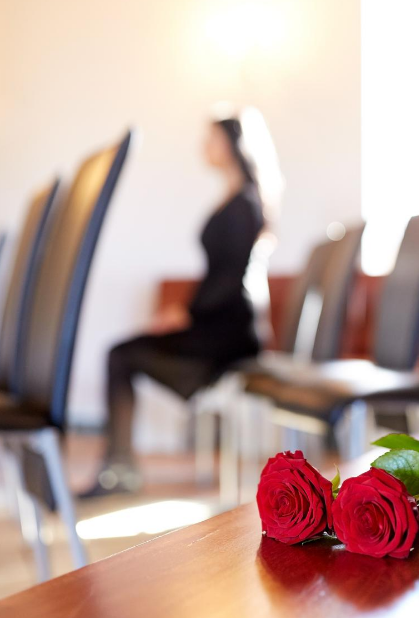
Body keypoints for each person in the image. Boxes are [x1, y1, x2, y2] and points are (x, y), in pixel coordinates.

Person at [81, 107, 283, 498]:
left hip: (229, 331)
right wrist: (186, 313)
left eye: (211, 139)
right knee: (122, 353)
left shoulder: (243, 202)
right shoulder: (237, 198)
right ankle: (118, 465)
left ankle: (118, 469)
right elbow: (218, 275)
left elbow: (230, 278)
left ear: (231, 145)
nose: (204, 147)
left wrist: (186, 314)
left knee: (120, 355)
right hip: (221, 321)